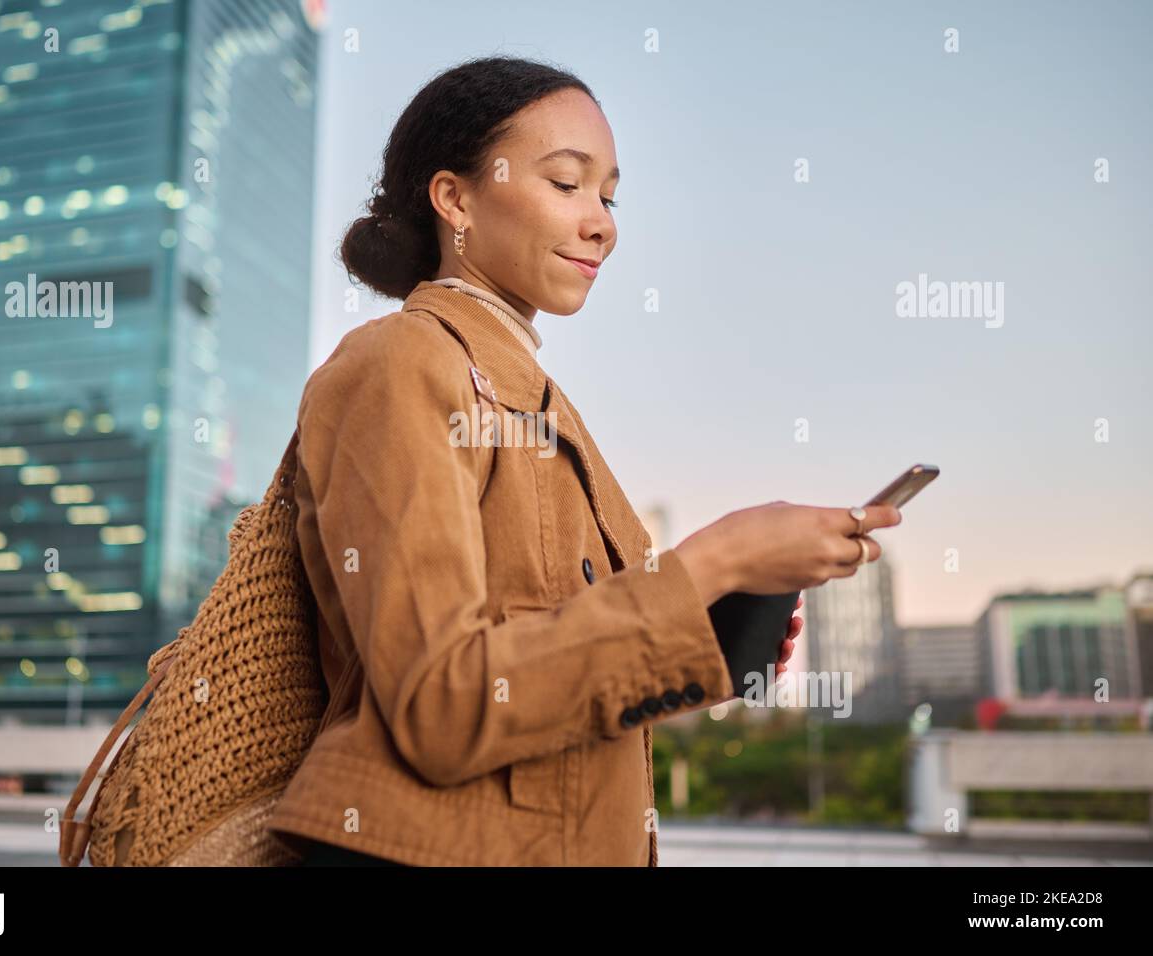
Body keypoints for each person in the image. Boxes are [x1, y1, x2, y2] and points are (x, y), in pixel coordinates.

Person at [268, 55, 901, 868]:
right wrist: (717, 558)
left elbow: (553, 685)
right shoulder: (399, 364)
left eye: (608, 195)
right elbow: (444, 705)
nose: (602, 222)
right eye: (567, 184)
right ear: (455, 197)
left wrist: (711, 628)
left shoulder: (543, 405)